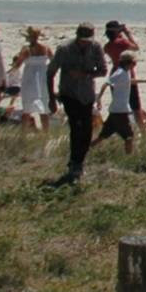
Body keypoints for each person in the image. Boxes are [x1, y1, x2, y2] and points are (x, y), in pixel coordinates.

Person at [43, 24, 108, 187]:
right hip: (69, 93)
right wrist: (51, 98)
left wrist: (85, 74)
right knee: (75, 127)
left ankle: (80, 160)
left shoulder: (95, 47)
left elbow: (103, 70)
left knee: (87, 130)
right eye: (82, 40)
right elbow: (50, 73)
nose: (85, 43)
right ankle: (75, 162)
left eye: (88, 40)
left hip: (87, 94)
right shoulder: (64, 49)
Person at [93, 53, 146, 154]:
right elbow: (106, 83)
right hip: (120, 110)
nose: (135, 65)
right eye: (134, 63)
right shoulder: (119, 72)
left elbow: (128, 81)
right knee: (129, 137)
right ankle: (129, 158)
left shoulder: (125, 72)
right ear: (129, 63)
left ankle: (84, 151)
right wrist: (99, 99)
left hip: (116, 110)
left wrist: (144, 81)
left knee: (103, 136)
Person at [13, 27, 53, 129]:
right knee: (44, 107)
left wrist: (15, 62)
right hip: (42, 79)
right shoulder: (46, 48)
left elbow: (17, 65)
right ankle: (46, 132)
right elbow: (54, 62)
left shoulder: (26, 49)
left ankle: (24, 133)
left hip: (29, 79)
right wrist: (45, 68)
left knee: (27, 109)